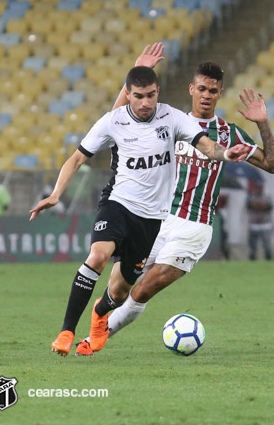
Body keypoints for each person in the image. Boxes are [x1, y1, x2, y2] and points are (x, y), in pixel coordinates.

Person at [30, 53, 254, 356]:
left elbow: (207, 146)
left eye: (150, 96)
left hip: (152, 219)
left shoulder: (172, 118)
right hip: (117, 203)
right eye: (138, 96)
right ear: (128, 94)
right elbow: (77, 157)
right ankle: (66, 332)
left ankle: (100, 315)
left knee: (120, 292)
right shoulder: (113, 120)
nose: (145, 103)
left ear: (157, 93)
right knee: (97, 256)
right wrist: (56, 194)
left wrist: (227, 155)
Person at [247, 182, 274, 261]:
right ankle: (252, 261)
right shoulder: (251, 197)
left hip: (265, 224)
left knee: (266, 245)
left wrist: (259, 205)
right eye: (258, 188)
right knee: (252, 246)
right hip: (253, 224)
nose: (259, 190)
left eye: (260, 188)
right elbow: (248, 206)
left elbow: (269, 207)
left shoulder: (267, 197)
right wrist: (258, 205)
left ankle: (268, 261)